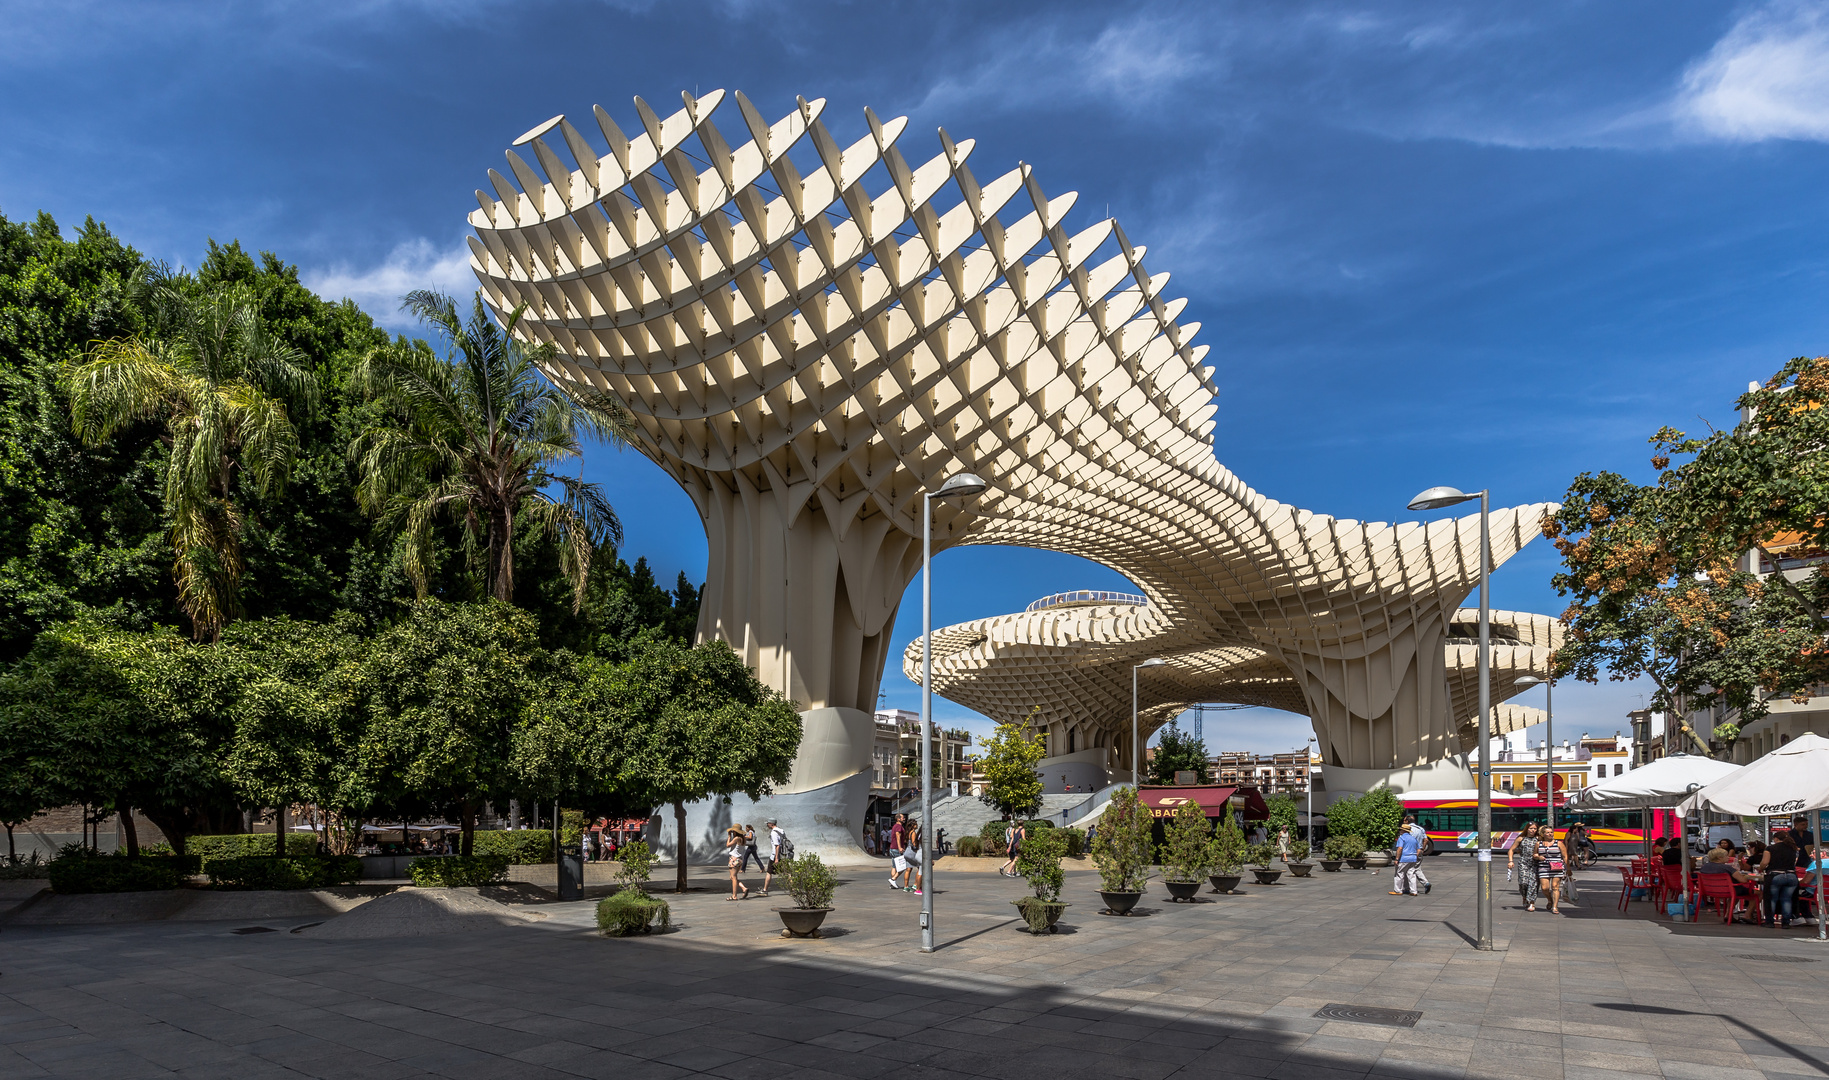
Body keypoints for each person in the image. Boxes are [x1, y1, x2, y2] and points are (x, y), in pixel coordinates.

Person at [1765, 830, 1801, 929]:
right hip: (1791, 876)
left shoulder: (1770, 848)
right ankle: (1785, 922)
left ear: (1776, 838)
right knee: (1787, 899)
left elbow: (1764, 862)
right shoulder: (1793, 848)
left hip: (1776, 875)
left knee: (1772, 899)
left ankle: (1769, 921)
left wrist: (1761, 868)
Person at [1509, 822, 1541, 911]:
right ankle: (1524, 896)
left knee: (1533, 883)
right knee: (1523, 883)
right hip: (1523, 863)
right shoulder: (1521, 838)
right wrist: (1511, 861)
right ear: (1527, 829)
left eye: (1535, 829)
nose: (1533, 830)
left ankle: (1531, 902)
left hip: (1535, 863)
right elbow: (1511, 850)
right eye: (1531, 828)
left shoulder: (1539, 838)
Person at [1537, 824, 1567, 914]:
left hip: (1557, 867)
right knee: (1544, 888)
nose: (1550, 834)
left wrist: (1568, 869)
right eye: (1548, 833)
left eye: (1551, 832)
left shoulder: (1559, 843)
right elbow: (1535, 854)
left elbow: (1565, 856)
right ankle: (1550, 900)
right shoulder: (1538, 844)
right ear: (1543, 834)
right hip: (1543, 867)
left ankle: (1555, 906)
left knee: (1555, 887)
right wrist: (1538, 857)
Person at [1398, 816, 1433, 895]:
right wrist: (1422, 849)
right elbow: (1426, 840)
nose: (1403, 822)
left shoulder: (1407, 830)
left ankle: (1408, 888)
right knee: (1416, 868)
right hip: (1419, 850)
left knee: (1408, 870)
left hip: (1408, 852)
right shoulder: (1421, 829)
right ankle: (1425, 884)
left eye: (1404, 820)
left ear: (1407, 821)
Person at [1391, 818, 1423, 895]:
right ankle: (1413, 891)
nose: (1400, 831)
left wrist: (1397, 859)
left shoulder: (1401, 838)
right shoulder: (1413, 839)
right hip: (1413, 859)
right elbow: (1419, 850)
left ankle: (1398, 890)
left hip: (1404, 858)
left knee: (1399, 874)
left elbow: (1400, 848)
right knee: (1411, 875)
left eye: (1401, 830)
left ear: (1403, 830)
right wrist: (1415, 855)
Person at [724, 826, 750, 900]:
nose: (733, 833)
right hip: (740, 859)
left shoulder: (737, 838)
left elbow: (727, 845)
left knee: (734, 878)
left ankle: (734, 896)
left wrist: (729, 836)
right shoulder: (743, 838)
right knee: (732, 877)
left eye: (733, 831)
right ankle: (743, 888)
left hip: (734, 859)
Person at [761, 818, 784, 898]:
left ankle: (764, 890)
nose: (767, 825)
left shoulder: (774, 832)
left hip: (775, 855)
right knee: (787, 872)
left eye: (768, 823)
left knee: (769, 872)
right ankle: (794, 890)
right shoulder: (781, 831)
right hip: (782, 855)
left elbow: (777, 845)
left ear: (771, 824)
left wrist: (776, 858)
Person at [905, 818, 925, 895]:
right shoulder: (913, 833)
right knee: (920, 868)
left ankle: (906, 886)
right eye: (916, 824)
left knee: (908, 869)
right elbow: (914, 843)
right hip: (912, 852)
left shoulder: (908, 832)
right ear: (913, 825)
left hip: (907, 851)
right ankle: (916, 885)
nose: (917, 825)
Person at [889, 815, 909, 889]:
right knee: (903, 866)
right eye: (903, 817)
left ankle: (893, 883)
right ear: (898, 819)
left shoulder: (895, 826)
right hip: (896, 849)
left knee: (894, 866)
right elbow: (898, 837)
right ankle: (893, 879)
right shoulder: (898, 826)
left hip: (893, 848)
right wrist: (900, 847)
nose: (904, 818)